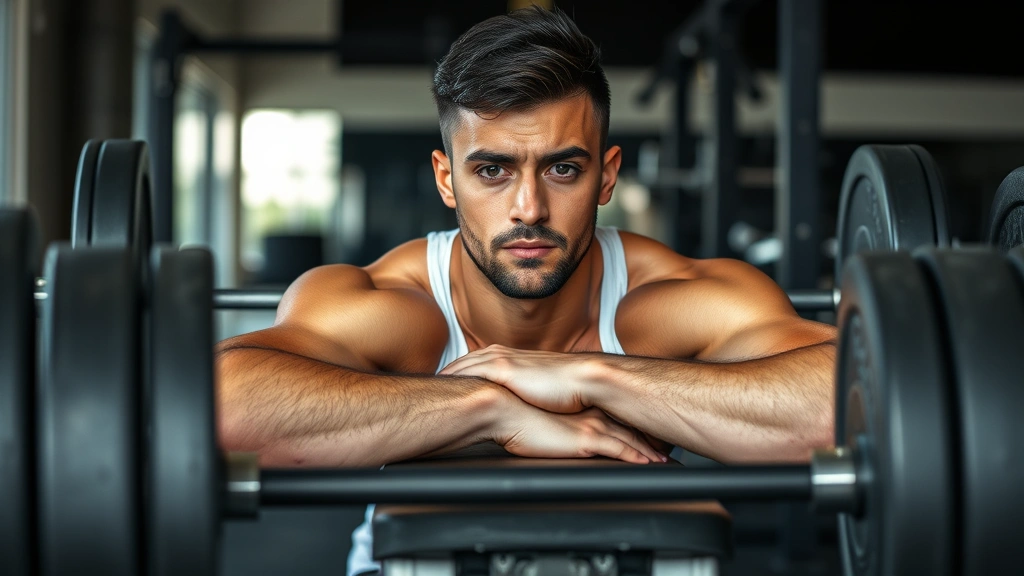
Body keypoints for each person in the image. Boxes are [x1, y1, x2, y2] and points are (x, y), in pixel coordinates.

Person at [214, 6, 837, 576]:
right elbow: (221, 407)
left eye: (563, 168)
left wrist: (594, 376)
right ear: (446, 178)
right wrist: (486, 408)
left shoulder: (672, 300)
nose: (528, 209)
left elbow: (852, 401)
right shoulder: (392, 306)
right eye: (492, 170)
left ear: (607, 176)